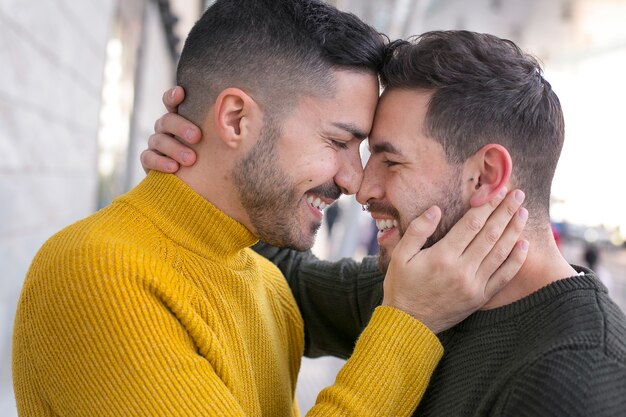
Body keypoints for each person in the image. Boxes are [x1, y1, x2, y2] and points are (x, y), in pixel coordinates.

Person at [12, 1, 528, 415]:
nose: (353, 181)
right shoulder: (96, 274)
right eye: (338, 142)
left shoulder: (266, 283)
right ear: (235, 120)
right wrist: (409, 323)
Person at [145, 30, 626, 416]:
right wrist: (212, 164)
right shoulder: (423, 285)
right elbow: (269, 277)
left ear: (485, 177)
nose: (362, 186)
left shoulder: (580, 374)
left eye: (390, 162)